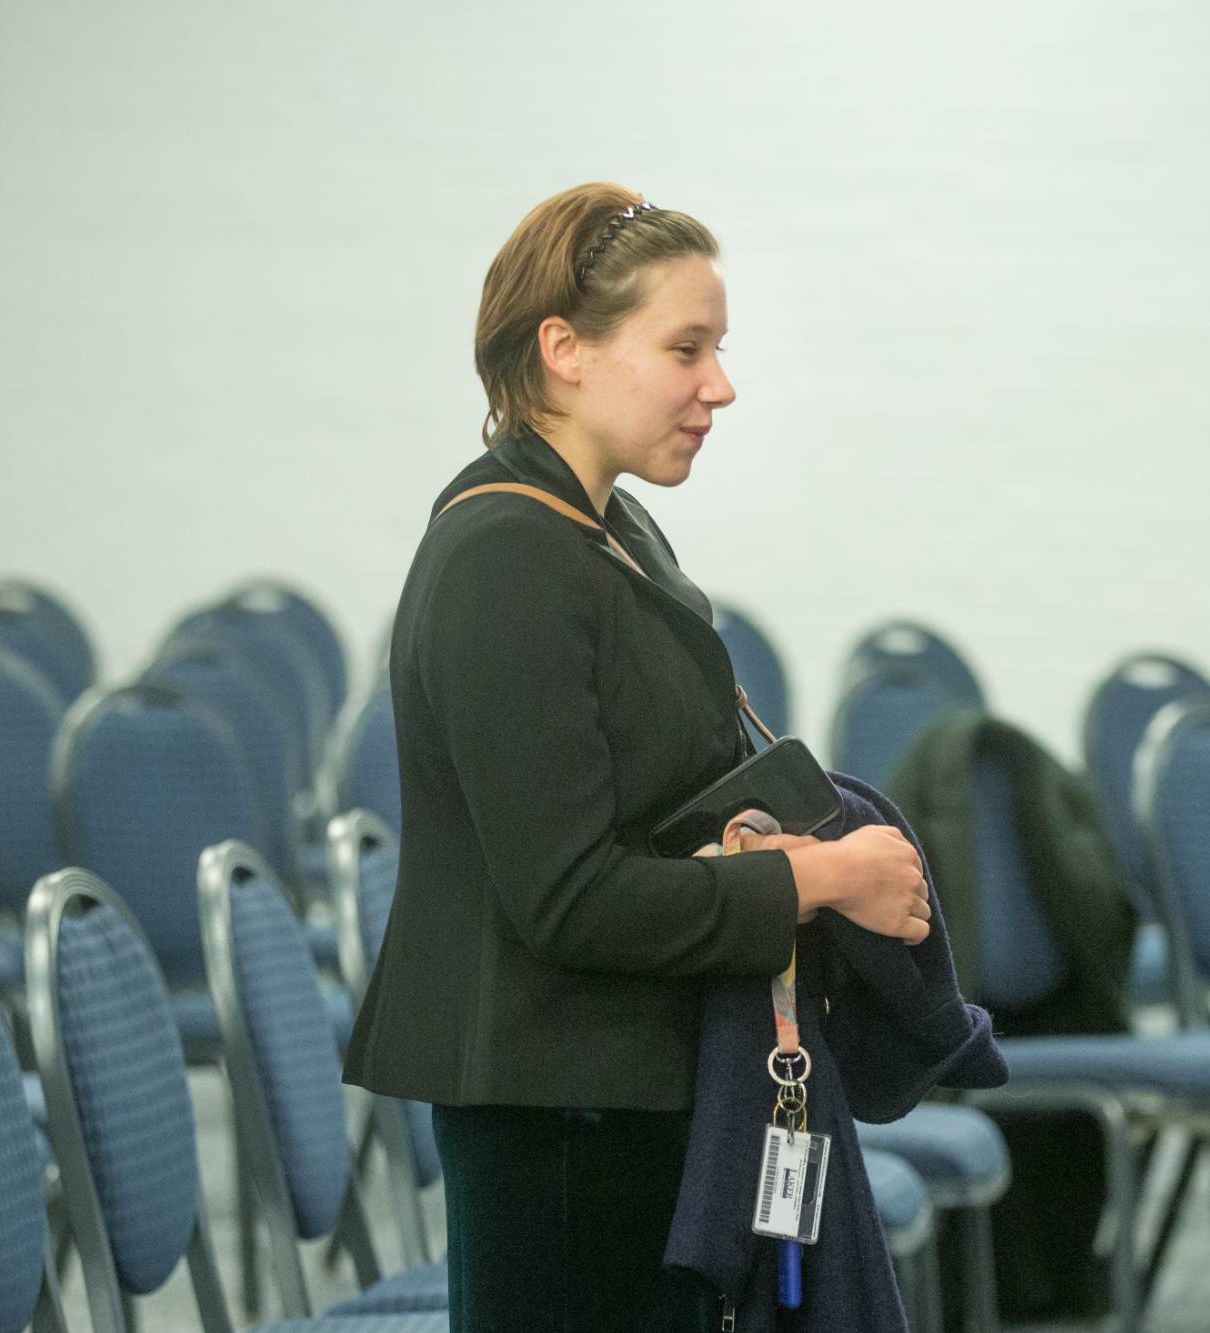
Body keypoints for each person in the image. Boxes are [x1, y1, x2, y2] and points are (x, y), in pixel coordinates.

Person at [341, 182, 934, 1332]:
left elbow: (646, 819)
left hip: (627, 1086)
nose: (719, 385)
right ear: (564, 349)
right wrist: (818, 878)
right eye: (685, 348)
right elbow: (566, 897)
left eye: (717, 349)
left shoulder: (605, 530)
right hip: (561, 1113)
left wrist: (749, 842)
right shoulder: (506, 556)